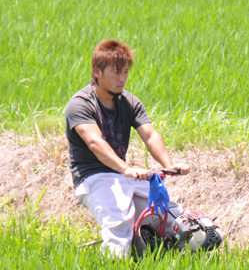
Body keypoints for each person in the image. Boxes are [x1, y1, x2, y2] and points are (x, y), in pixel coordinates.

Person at [65, 39, 189, 258]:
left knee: (173, 219)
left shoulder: (129, 102)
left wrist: (170, 165)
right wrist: (125, 168)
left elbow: (149, 135)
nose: (122, 79)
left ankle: (169, 260)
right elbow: (95, 142)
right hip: (93, 177)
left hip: (122, 175)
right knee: (120, 223)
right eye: (116, 73)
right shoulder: (81, 104)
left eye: (126, 72)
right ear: (97, 72)